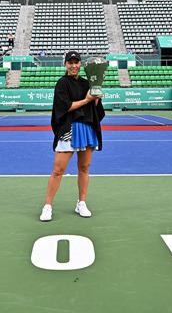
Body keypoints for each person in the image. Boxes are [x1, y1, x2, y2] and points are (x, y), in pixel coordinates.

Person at [40, 51, 105, 222]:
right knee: (58, 170)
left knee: (84, 168)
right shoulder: (62, 83)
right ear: (65, 64)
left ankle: (81, 203)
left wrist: (96, 95)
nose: (74, 65)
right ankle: (47, 206)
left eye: (76, 62)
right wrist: (87, 99)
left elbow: (95, 109)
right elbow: (65, 107)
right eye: (70, 62)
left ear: (81, 64)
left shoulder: (87, 83)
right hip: (69, 129)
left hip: (87, 128)